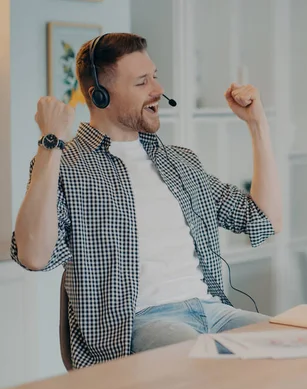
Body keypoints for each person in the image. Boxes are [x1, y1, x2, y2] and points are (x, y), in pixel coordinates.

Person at [11, 32, 282, 369]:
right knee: (211, 369)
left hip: (215, 311)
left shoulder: (180, 162)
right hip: (143, 323)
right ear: (100, 95)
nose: (157, 89)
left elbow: (263, 219)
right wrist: (50, 142)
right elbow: (34, 255)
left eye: (154, 76)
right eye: (142, 82)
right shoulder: (66, 166)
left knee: (304, 350)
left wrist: (257, 125)